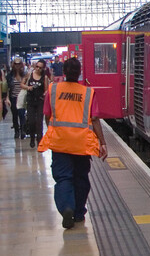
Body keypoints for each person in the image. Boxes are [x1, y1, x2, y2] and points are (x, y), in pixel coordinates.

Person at [38, 57, 108, 229]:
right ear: (79, 73)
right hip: (81, 144)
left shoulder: (52, 90)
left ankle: (66, 207)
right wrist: (103, 143)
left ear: (64, 72)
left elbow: (47, 114)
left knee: (63, 177)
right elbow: (95, 119)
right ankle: (78, 212)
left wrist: (54, 131)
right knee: (81, 178)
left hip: (60, 142)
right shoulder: (88, 93)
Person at [23, 59, 50, 148]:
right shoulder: (30, 74)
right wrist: (28, 87)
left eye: (40, 68)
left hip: (40, 101)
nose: (38, 69)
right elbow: (22, 84)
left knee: (39, 121)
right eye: (37, 67)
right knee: (31, 121)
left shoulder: (44, 77)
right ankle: (31, 137)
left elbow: (46, 89)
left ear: (43, 69)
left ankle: (39, 138)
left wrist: (45, 94)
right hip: (30, 100)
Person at [7, 57, 27, 139]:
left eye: (19, 64)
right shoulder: (10, 76)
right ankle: (16, 131)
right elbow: (8, 88)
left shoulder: (24, 75)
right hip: (13, 97)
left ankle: (22, 130)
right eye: (16, 64)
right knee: (14, 115)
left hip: (22, 97)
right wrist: (7, 98)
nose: (17, 66)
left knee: (22, 114)